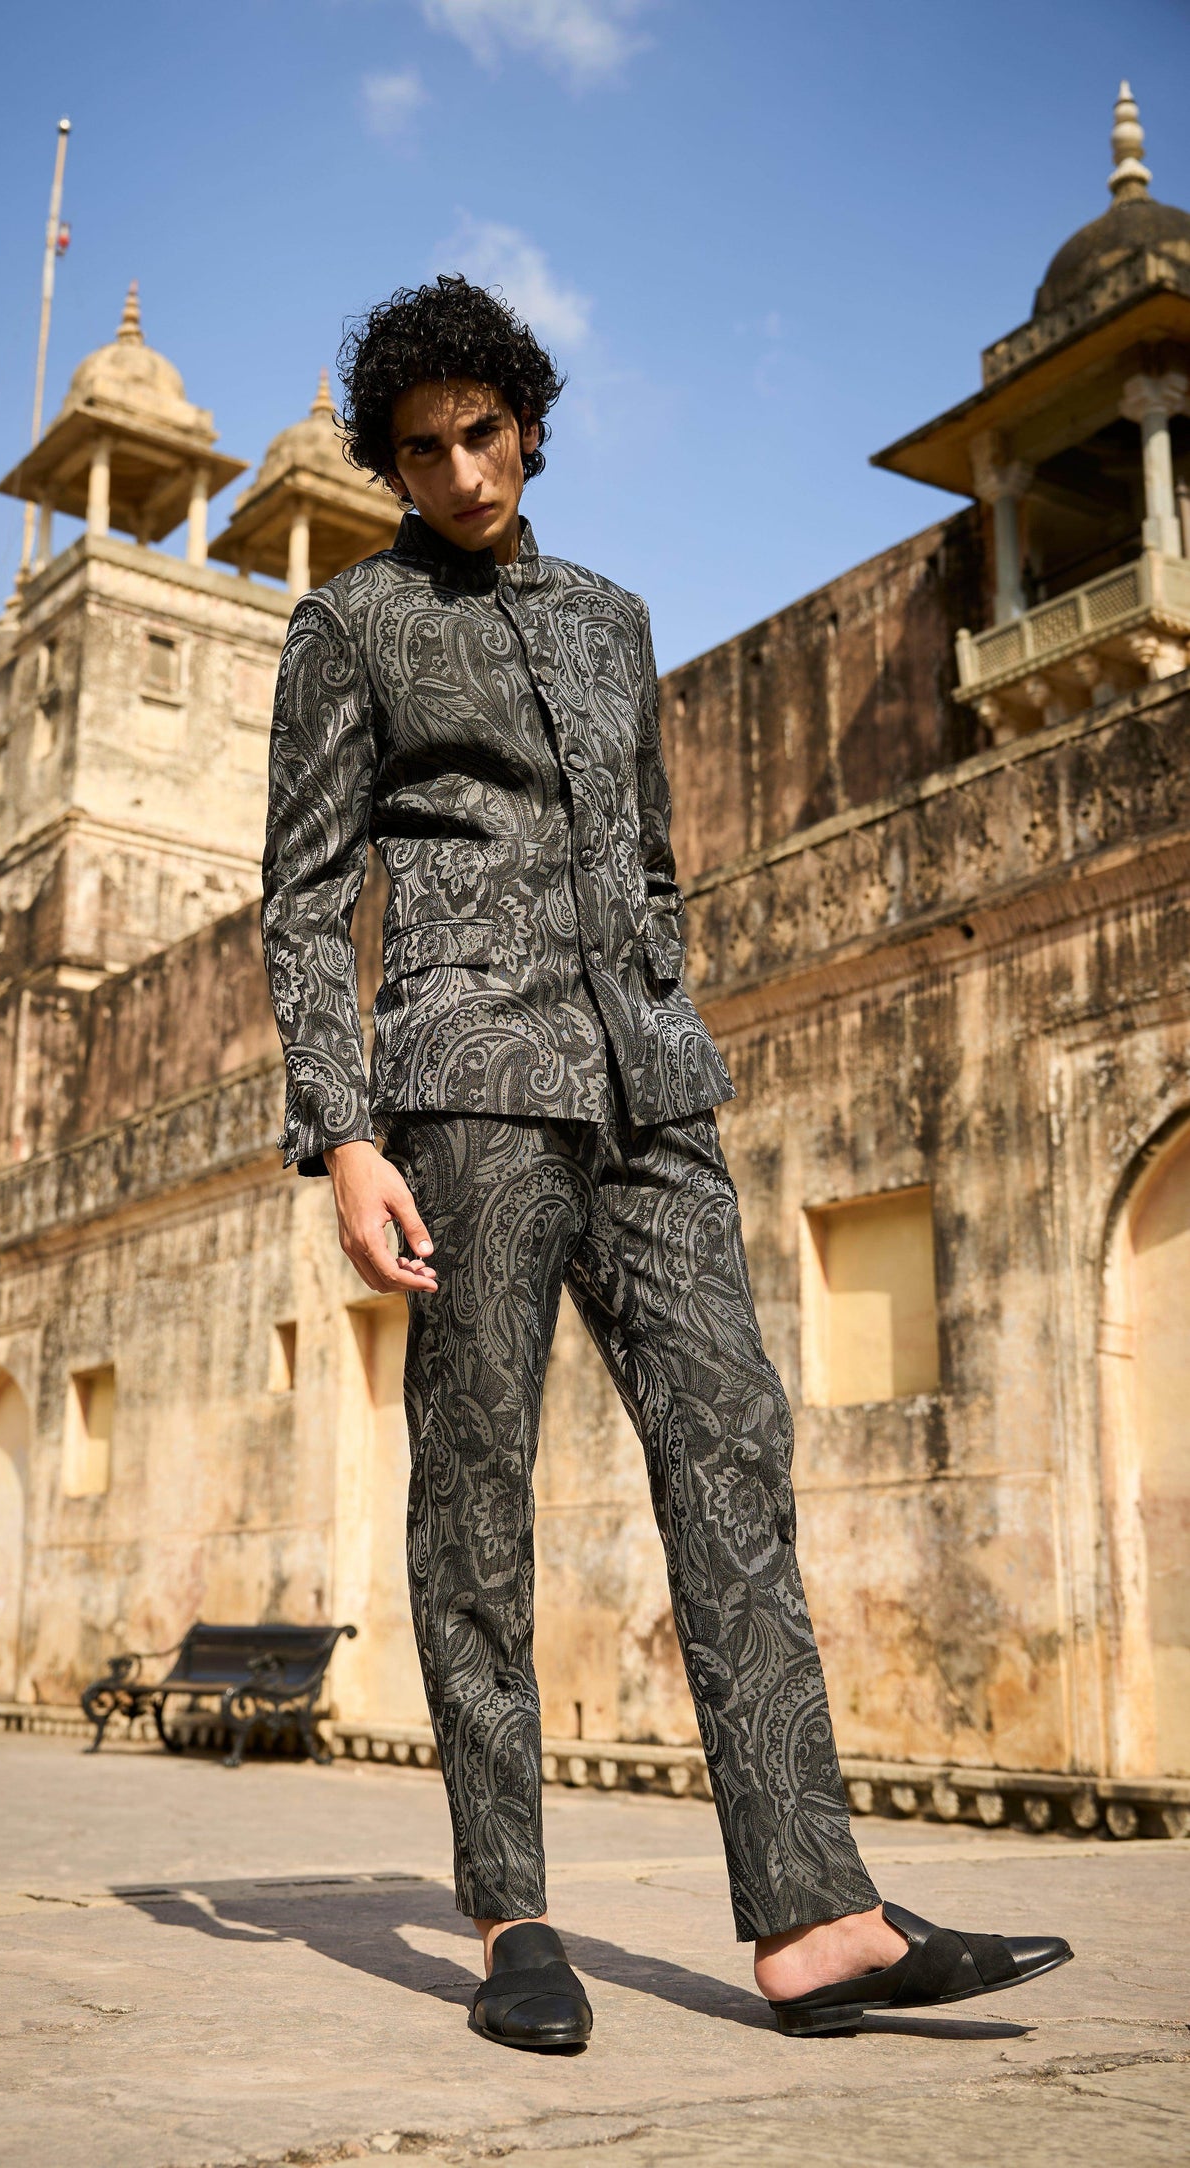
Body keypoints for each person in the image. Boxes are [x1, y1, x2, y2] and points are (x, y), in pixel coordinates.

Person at [259, 274, 1070, 2051]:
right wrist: (345, 1135)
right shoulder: (351, 627)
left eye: (482, 434)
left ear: (529, 426)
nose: (459, 473)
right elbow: (305, 905)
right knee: (476, 1496)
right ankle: (509, 1916)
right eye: (422, 450)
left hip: (651, 1096)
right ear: (392, 465)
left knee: (731, 1460)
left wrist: (662, 1016)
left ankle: (813, 1917)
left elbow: (647, 862)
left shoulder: (611, 622)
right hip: (467, 1089)